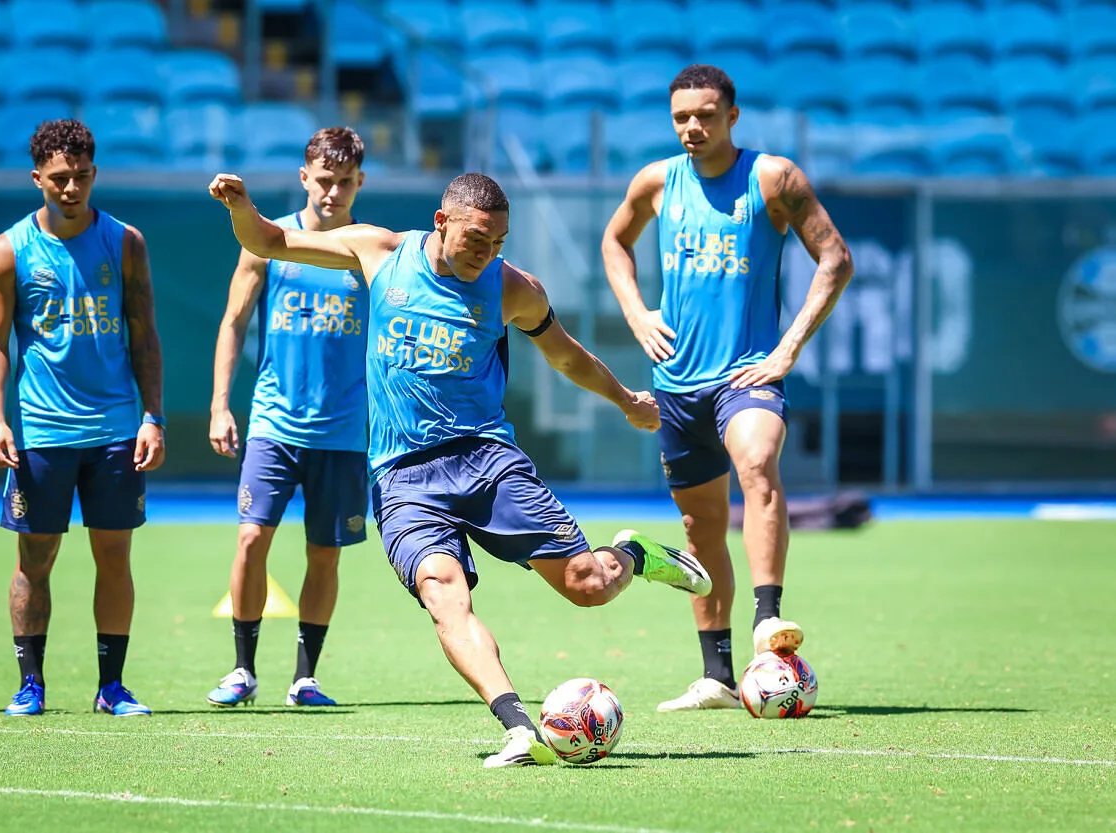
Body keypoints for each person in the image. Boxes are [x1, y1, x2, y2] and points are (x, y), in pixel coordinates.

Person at [209, 170, 711, 767]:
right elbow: (268, 241)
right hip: (401, 479)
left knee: (590, 587)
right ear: (441, 222)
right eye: (477, 239)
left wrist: (626, 400)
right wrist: (241, 206)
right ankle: (520, 728)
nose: (486, 253)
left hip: (486, 461)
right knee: (444, 595)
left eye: (498, 242)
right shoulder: (379, 252)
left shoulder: (512, 289)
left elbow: (568, 359)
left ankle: (635, 554)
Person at [601, 64, 854, 711]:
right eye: (682, 116)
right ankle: (716, 676)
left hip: (747, 373)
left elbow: (835, 257)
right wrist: (636, 312)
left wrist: (789, 347)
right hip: (676, 385)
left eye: (706, 115)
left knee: (757, 462)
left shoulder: (773, 178)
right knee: (699, 527)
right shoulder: (656, 181)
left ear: (732, 116)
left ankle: (769, 620)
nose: (693, 126)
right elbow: (614, 241)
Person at [0, 119, 166, 717]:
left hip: (115, 431)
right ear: (37, 178)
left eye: (81, 176)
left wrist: (153, 416)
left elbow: (144, 335)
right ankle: (30, 684)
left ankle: (112, 687)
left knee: (115, 558)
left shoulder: (124, 242)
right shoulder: (9, 250)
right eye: (59, 178)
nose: (71, 188)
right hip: (40, 433)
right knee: (35, 560)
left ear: (94, 174)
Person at [205, 127, 369, 709]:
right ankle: (242, 669)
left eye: (345, 182)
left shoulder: (368, 251)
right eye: (325, 180)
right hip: (274, 423)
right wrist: (221, 403)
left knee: (324, 553)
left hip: (346, 431)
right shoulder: (268, 241)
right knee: (251, 540)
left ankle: (305, 677)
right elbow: (233, 321)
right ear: (305, 177)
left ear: (360, 183)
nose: (334, 192)